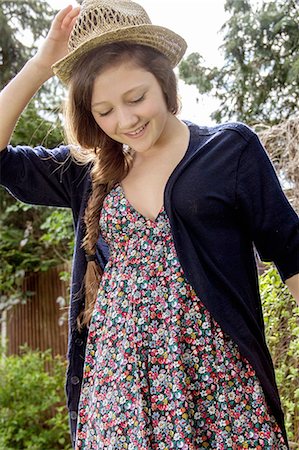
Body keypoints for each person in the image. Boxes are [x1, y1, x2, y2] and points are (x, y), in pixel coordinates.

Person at [0, 0, 298, 448]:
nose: (125, 120)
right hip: (118, 394)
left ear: (164, 82)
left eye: (136, 98)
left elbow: (292, 254)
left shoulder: (229, 151)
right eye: (104, 110)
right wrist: (44, 62)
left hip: (220, 390)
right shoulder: (86, 169)